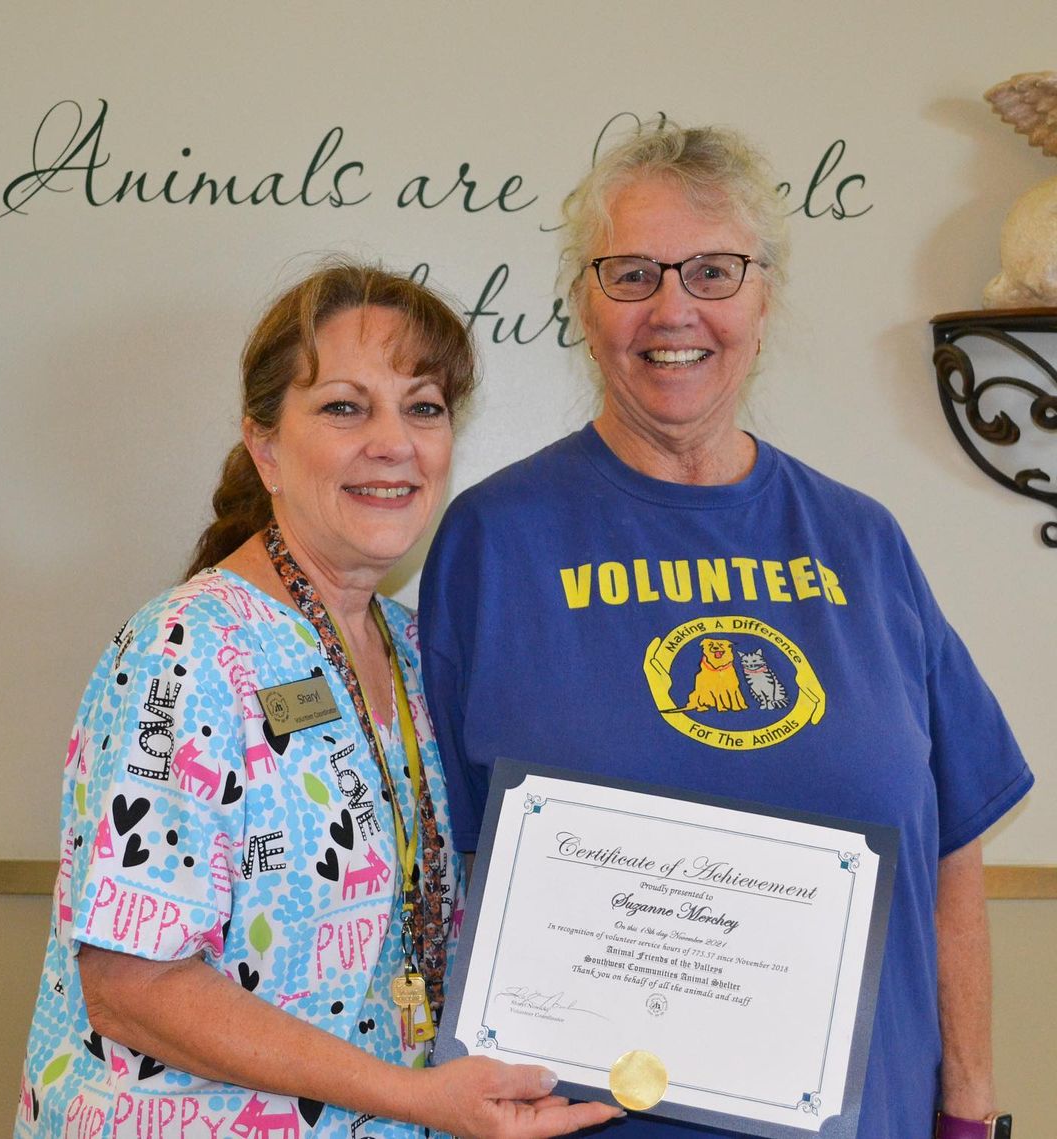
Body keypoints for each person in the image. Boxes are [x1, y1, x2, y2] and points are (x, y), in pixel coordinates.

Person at [418, 126, 1034, 1139]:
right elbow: (434, 863)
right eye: (632, 273)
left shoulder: (862, 544)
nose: (674, 308)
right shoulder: (493, 542)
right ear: (583, 300)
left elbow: (952, 843)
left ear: (762, 299)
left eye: (714, 270)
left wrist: (969, 1108)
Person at [15, 260, 623, 1139]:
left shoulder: (414, 652)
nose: (394, 442)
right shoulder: (185, 653)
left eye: (424, 407)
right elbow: (132, 987)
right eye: (345, 406)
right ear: (265, 444)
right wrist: (415, 1096)